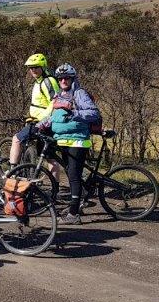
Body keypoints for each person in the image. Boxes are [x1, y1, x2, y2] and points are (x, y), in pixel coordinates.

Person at [40, 63, 101, 225]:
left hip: (78, 140)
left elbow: (93, 113)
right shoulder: (59, 95)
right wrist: (40, 125)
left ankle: (73, 214)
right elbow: (54, 116)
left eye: (67, 78)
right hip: (63, 140)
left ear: (73, 78)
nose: (63, 81)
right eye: (60, 78)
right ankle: (79, 200)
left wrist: (73, 110)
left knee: (73, 175)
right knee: (71, 173)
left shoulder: (79, 93)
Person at [8, 53, 60, 166]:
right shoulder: (39, 81)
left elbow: (55, 102)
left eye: (36, 67)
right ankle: (55, 183)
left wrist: (44, 120)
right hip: (42, 121)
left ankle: (12, 170)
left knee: (16, 139)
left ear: (42, 67)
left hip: (42, 123)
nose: (33, 70)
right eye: (31, 68)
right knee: (49, 157)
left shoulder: (47, 81)